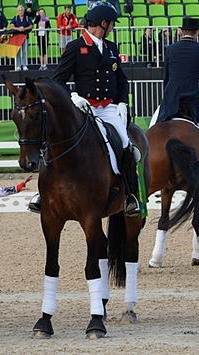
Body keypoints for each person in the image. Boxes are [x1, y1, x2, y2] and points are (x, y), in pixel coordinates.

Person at [37, 1, 140, 217]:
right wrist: (73, 96)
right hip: (83, 107)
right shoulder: (75, 47)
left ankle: (130, 196)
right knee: (55, 139)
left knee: (126, 145)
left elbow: (121, 80)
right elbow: (59, 80)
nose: (112, 28)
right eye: (111, 24)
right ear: (103, 23)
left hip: (108, 108)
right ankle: (42, 193)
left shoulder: (111, 47)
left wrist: (122, 102)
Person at [153, 17, 199, 170]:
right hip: (192, 103)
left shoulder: (170, 49)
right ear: (197, 32)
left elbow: (166, 78)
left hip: (170, 103)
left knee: (150, 135)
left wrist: (166, 98)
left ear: (181, 31)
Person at [10, 5, 33, 71]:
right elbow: (11, 26)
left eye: (22, 10)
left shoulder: (27, 18)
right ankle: (18, 65)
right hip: (17, 37)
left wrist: (24, 28)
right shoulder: (15, 18)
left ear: (23, 11)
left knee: (25, 51)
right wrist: (18, 29)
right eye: (19, 10)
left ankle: (24, 65)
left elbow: (31, 26)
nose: (21, 12)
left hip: (25, 37)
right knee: (18, 51)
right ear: (18, 11)